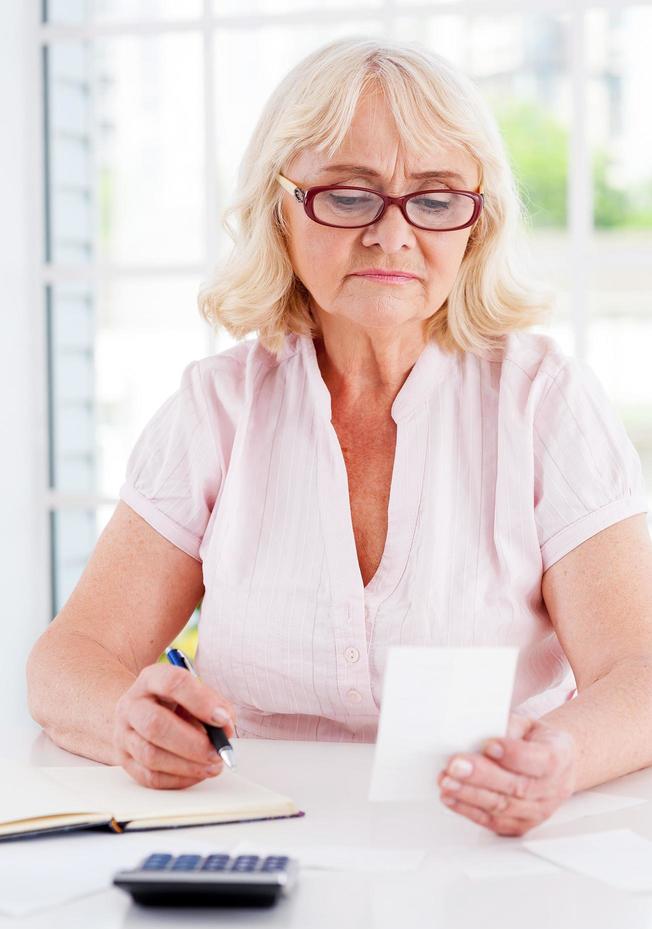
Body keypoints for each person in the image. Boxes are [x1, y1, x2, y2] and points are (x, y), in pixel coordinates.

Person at [27, 37, 652, 837]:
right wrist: (127, 719)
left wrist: (561, 757)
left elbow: (635, 674)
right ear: (281, 210)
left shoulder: (546, 401)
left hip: (487, 853)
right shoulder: (217, 409)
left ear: (476, 224)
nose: (393, 235)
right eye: (349, 195)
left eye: (434, 198)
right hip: (252, 842)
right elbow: (67, 657)